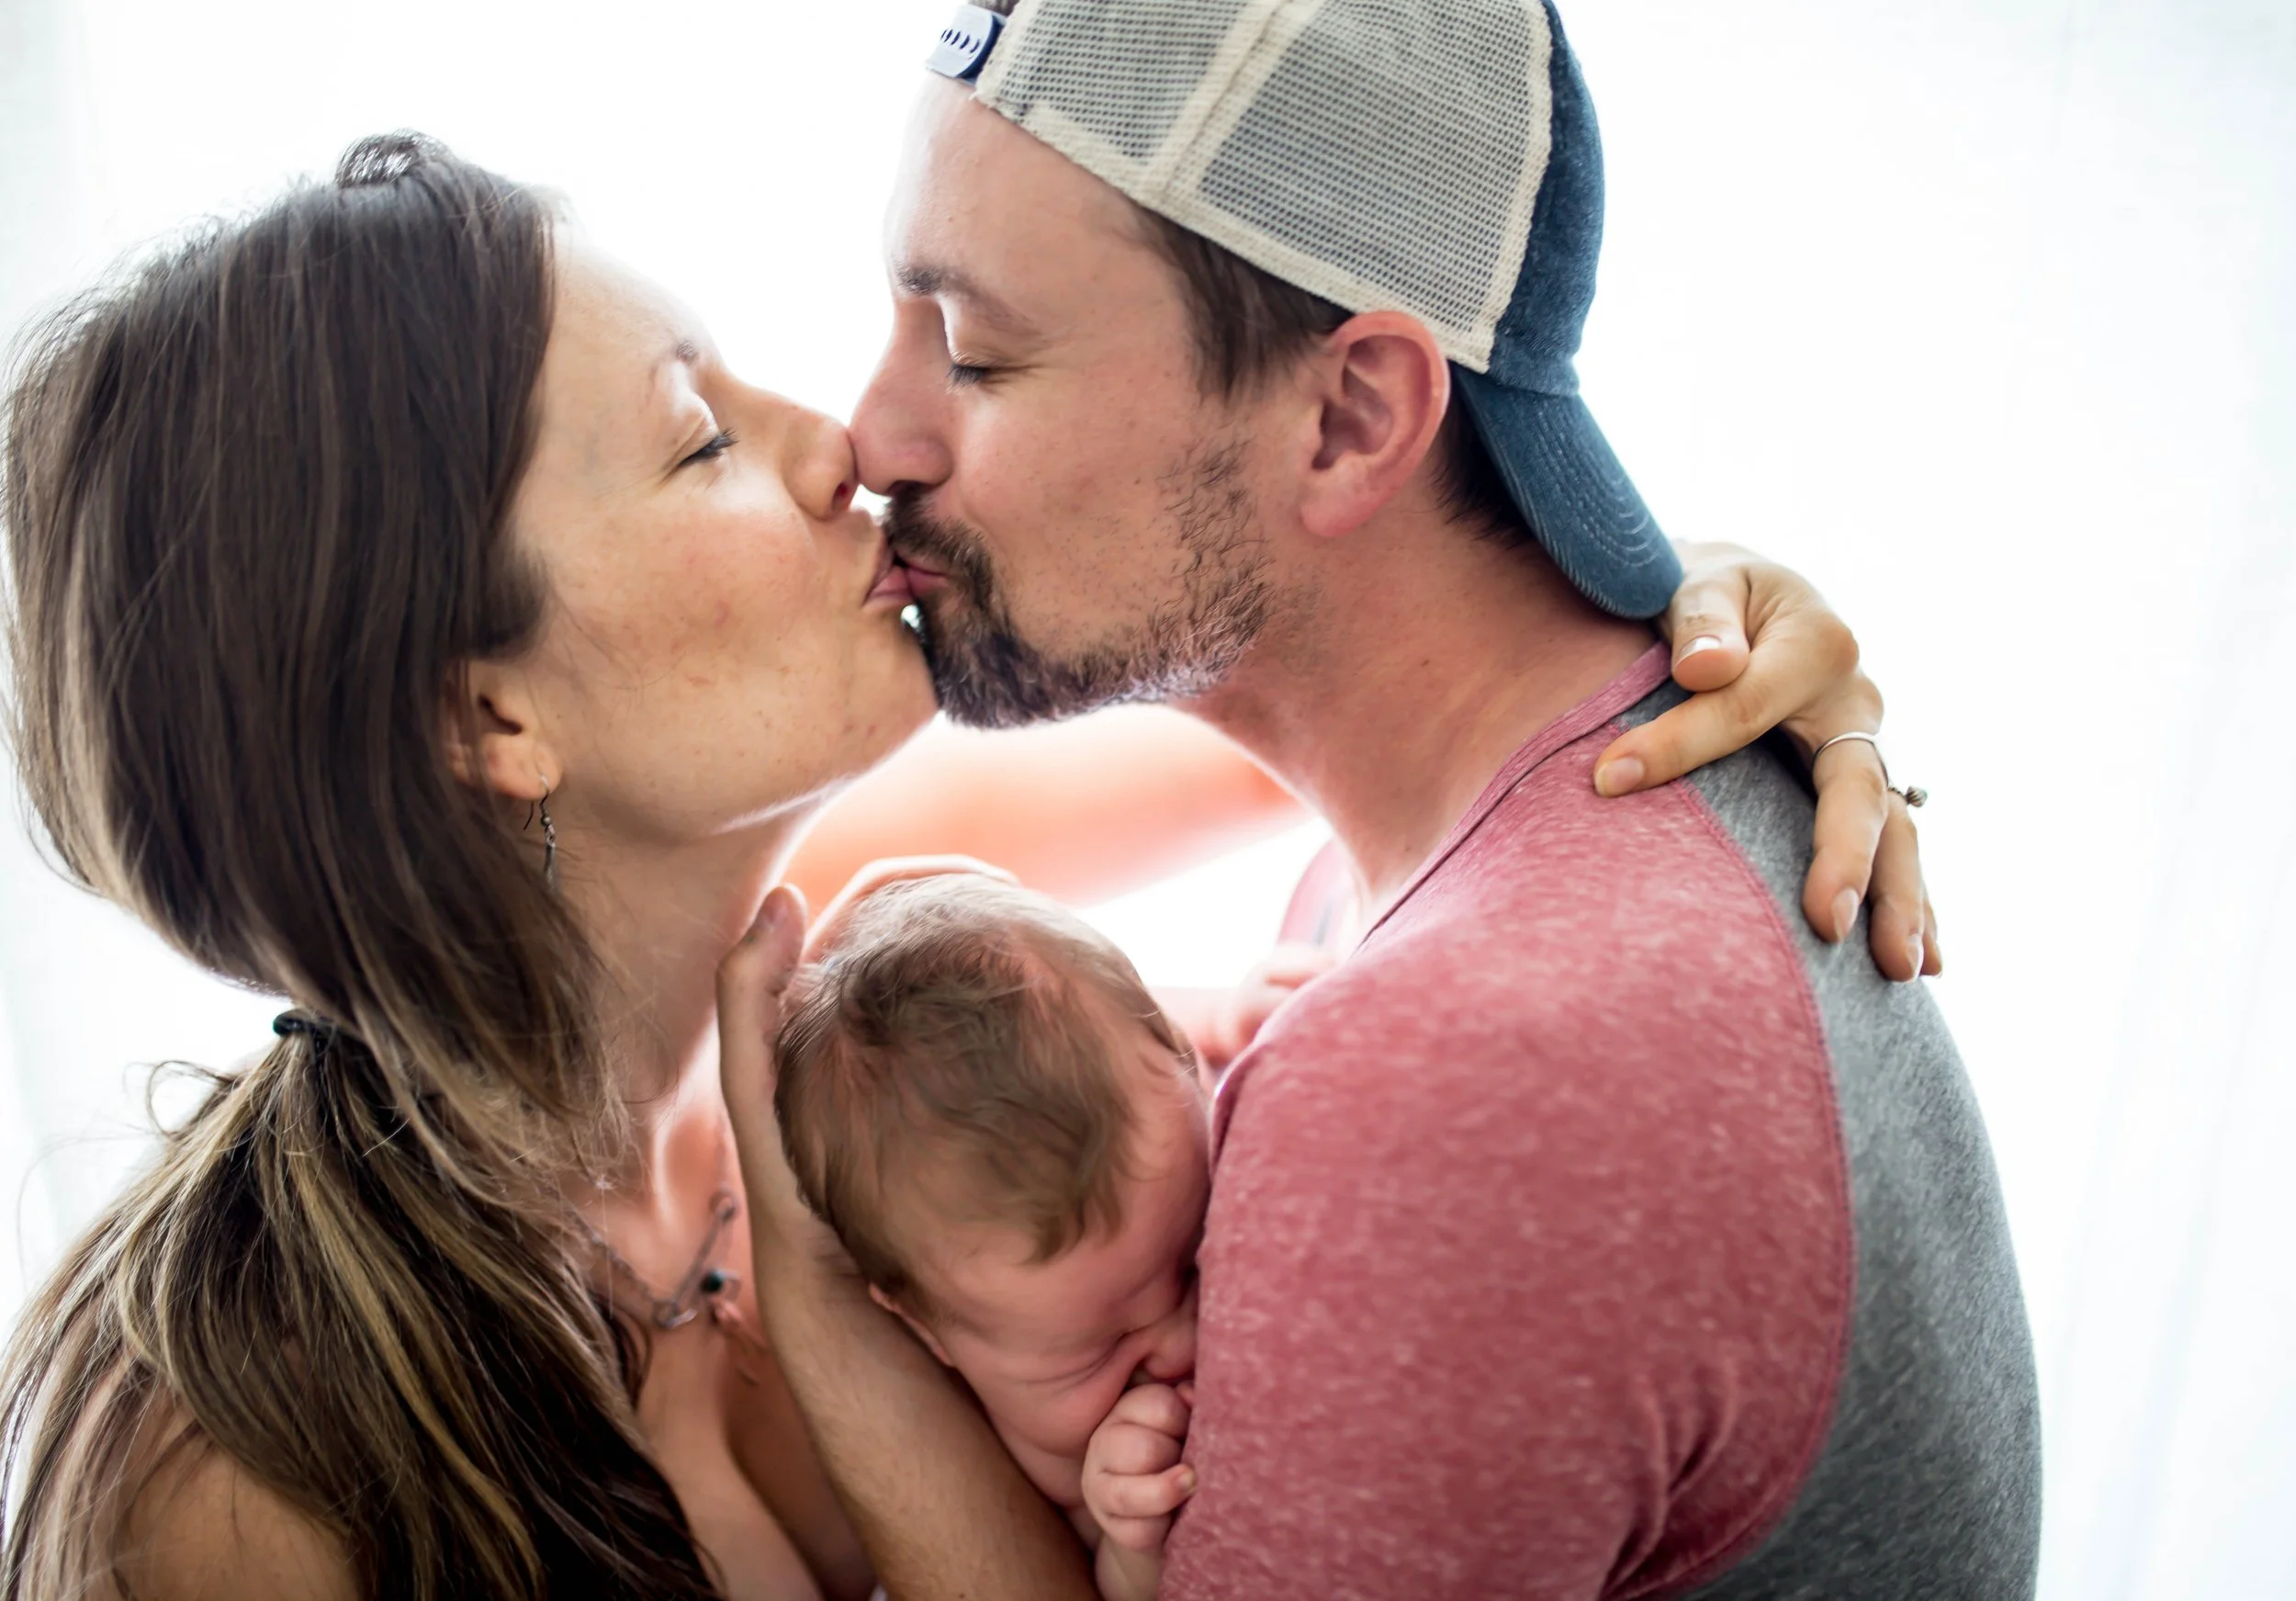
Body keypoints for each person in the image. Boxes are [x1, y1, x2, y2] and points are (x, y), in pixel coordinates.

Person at [0, 131, 1914, 1597]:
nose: (839, 441)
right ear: (486, 720)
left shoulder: (854, 964)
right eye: (694, 443)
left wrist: (1714, 625)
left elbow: (1387, 672)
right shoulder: (249, 1489)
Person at [715, 1, 2040, 1597]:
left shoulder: (1448, 1068)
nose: (876, 432)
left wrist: (831, 1313)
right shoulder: (1455, 868)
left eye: (976, 349)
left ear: (1348, 419)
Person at [774, 872, 1229, 1601]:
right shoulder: (967, 1486)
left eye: (1193, 1256)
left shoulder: (1176, 1113)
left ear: (1195, 1076)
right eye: (1095, 1355)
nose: (1181, 1344)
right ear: (930, 1334)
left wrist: (1231, 1011)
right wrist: (1130, 1545)